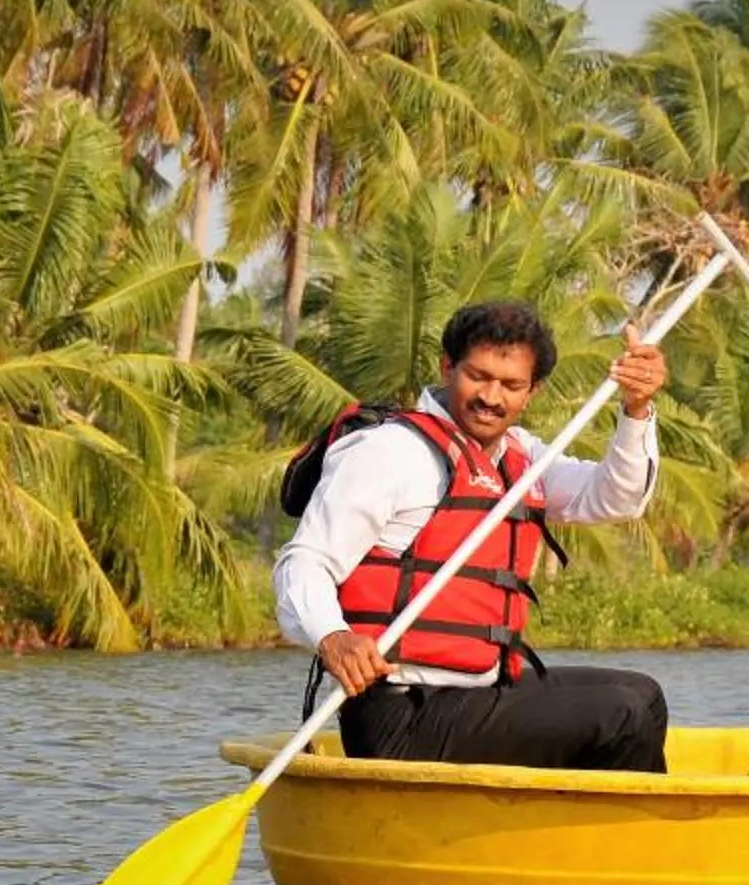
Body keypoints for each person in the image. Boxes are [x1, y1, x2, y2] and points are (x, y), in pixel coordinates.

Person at [275, 299, 673, 772]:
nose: (491, 397)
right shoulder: (388, 451)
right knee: (619, 716)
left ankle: (584, 836)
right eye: (478, 377)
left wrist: (636, 408)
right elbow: (304, 561)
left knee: (643, 696)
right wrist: (332, 636)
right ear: (447, 367)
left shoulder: (522, 458)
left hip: (477, 693)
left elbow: (615, 496)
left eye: (511, 385)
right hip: (402, 711)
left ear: (533, 391)